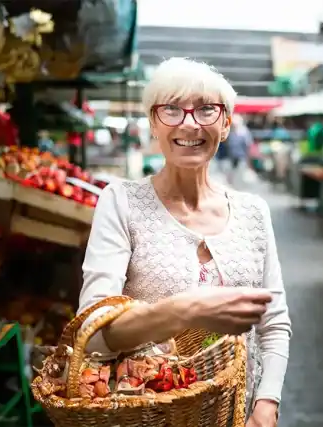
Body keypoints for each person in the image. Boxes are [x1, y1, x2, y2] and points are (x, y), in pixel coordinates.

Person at [79, 57, 291, 427]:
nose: (190, 123)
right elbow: (93, 334)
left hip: (238, 416)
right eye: (172, 109)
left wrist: (266, 403)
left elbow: (273, 324)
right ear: (153, 123)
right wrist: (184, 311)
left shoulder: (254, 212)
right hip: (150, 415)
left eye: (207, 109)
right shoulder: (122, 202)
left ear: (225, 124)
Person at [226, 115, 254, 184]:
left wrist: (249, 160)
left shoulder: (245, 132)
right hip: (232, 157)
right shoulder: (230, 132)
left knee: (241, 175)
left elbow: (249, 146)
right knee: (232, 174)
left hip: (242, 157)